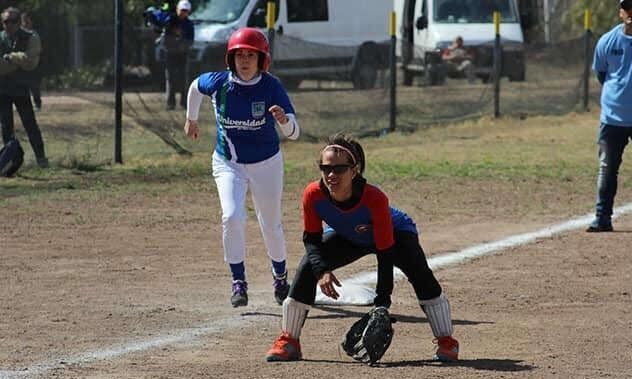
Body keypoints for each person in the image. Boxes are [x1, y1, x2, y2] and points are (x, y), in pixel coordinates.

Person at [265, 134, 459, 362]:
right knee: (309, 267)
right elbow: (312, 240)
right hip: (349, 235)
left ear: (354, 170)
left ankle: (447, 342)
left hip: (397, 234)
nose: (331, 175)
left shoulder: (374, 198)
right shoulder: (313, 194)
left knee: (421, 275)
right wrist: (322, 271)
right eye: (325, 168)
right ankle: (289, 341)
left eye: (339, 169)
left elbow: (384, 253)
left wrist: (382, 304)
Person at [184, 28, 300, 307]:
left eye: (251, 55)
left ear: (262, 59)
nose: (245, 60)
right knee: (232, 217)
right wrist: (191, 118)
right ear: (231, 58)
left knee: (270, 224)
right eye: (239, 55)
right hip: (229, 163)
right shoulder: (219, 83)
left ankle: (280, 277)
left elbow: (294, 133)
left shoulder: (271, 86)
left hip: (267, 164)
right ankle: (238, 281)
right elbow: (195, 87)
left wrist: (284, 121)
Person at [587, 0, 632, 232]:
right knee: (607, 167)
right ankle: (602, 217)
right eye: (628, 7)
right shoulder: (607, 40)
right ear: (621, 12)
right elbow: (602, 74)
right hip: (613, 118)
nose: (631, 12)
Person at [0, 7, 48, 168]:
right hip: (3, 90)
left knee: (30, 125)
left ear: (19, 22)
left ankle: (42, 160)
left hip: (21, 89)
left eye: (14, 21)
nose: (10, 25)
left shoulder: (30, 37)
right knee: (6, 128)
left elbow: (30, 62)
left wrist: (11, 58)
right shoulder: (0, 38)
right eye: (6, 21)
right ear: (2, 23)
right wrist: (18, 62)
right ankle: (9, 162)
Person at [145, 0, 194, 110]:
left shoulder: (189, 24)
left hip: (182, 55)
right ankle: (170, 103)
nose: (183, 13)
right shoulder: (170, 20)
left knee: (183, 78)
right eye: (182, 10)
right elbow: (162, 31)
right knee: (170, 78)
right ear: (177, 10)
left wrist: (181, 45)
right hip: (170, 54)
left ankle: (183, 103)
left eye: (186, 11)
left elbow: (190, 41)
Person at [20, 12, 41, 111]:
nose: (26, 23)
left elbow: (36, 50)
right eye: (24, 21)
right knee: (21, 86)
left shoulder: (33, 34)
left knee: (34, 86)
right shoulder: (18, 34)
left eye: (27, 21)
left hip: (32, 64)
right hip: (21, 64)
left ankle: (37, 105)